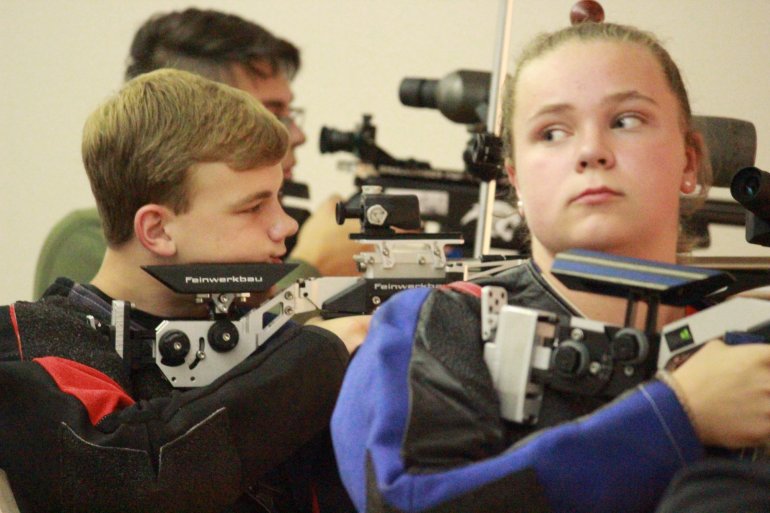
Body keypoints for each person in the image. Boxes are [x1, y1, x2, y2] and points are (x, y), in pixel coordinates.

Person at [330, 20, 770, 513]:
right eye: (552, 132)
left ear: (690, 161)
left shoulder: (750, 339)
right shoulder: (435, 327)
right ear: (514, 179)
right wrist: (673, 417)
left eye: (626, 121)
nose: (591, 152)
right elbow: (405, 502)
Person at [1, 69, 369, 513]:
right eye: (254, 206)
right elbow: (131, 479)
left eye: (279, 197)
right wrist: (324, 352)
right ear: (157, 229)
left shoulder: (267, 338)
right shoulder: (36, 344)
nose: (286, 225)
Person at [33, 7, 363, 299]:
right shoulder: (90, 242)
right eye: (270, 113)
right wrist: (312, 264)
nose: (297, 135)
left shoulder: (275, 227)